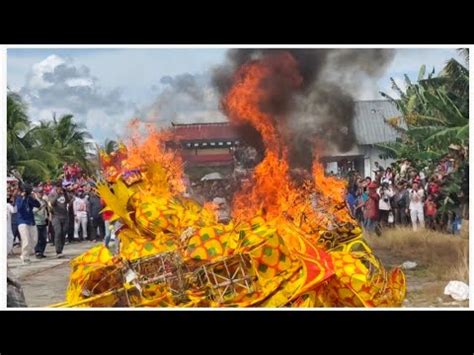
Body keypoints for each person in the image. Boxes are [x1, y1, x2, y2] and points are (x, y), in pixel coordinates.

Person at [15, 183, 40, 264]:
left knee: (34, 240)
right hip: (22, 221)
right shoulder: (19, 198)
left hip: (31, 221)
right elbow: (19, 208)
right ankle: (25, 257)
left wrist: (34, 198)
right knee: (26, 240)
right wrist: (23, 197)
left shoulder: (29, 198)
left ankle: (26, 254)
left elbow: (38, 205)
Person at [49, 183, 70, 257]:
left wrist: (65, 192)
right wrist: (57, 194)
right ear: (56, 188)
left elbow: (68, 201)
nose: (60, 189)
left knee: (63, 233)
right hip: (56, 216)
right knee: (58, 232)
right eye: (58, 187)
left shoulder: (64, 194)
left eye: (61, 187)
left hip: (65, 216)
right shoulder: (52, 194)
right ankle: (58, 251)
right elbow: (52, 203)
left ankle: (61, 249)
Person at [33, 188, 49, 258]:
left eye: (42, 192)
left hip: (43, 222)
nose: (41, 194)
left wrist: (47, 217)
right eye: (39, 192)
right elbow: (33, 211)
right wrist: (40, 207)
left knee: (44, 238)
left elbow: (46, 210)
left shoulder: (44, 201)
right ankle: (38, 252)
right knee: (37, 238)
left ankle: (42, 252)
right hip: (36, 222)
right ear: (36, 193)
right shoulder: (34, 201)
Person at [7, 189, 17, 255]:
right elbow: (14, 211)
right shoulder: (8, 205)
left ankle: (9, 250)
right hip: (10, 224)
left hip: (11, 223)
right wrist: (15, 204)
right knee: (10, 237)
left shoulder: (9, 205)